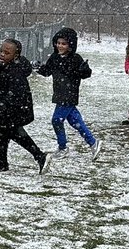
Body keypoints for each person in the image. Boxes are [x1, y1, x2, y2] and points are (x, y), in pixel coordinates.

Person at [36, 27, 102, 161]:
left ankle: (62, 147)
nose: (60, 46)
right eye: (58, 43)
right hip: (59, 93)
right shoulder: (54, 57)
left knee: (56, 120)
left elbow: (85, 74)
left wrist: (85, 70)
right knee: (75, 121)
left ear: (70, 45)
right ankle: (93, 143)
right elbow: (47, 71)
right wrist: (38, 67)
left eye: (64, 43)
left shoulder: (75, 58)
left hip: (69, 94)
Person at [0, 38, 51, 174]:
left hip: (14, 110)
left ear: (15, 55)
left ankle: (40, 156)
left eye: (7, 52)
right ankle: (2, 164)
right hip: (8, 109)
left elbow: (16, 93)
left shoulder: (15, 70)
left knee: (12, 134)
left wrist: (3, 105)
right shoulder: (6, 66)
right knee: (2, 135)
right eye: (1, 51)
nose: (2, 54)